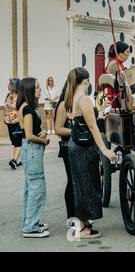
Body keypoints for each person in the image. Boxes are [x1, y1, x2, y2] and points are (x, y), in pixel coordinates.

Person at [65, 68, 117, 240]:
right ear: (86, 81)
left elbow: (80, 122)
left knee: (80, 186)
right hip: (84, 148)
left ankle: (84, 223)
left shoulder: (70, 98)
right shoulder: (84, 99)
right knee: (88, 186)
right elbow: (93, 127)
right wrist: (104, 149)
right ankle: (83, 229)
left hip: (74, 145)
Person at [16, 77, 50, 238]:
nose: (40, 89)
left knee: (31, 188)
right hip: (32, 150)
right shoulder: (27, 109)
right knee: (37, 188)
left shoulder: (26, 107)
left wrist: (41, 133)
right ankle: (30, 227)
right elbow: (29, 135)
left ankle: (30, 222)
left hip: (30, 150)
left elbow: (29, 133)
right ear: (29, 89)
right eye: (36, 87)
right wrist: (44, 139)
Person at [54, 81, 76, 220]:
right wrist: (75, 131)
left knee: (79, 182)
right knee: (72, 181)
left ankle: (80, 214)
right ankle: (71, 216)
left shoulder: (79, 102)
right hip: (68, 147)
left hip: (79, 147)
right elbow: (58, 129)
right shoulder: (63, 105)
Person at [105, 41, 130, 107]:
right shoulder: (114, 64)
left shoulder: (119, 63)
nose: (129, 54)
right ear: (121, 53)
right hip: (116, 99)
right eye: (127, 52)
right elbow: (120, 83)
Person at [4, 78, 22, 169]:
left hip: (17, 122)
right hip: (9, 122)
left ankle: (14, 160)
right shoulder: (8, 95)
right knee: (14, 142)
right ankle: (16, 159)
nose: (8, 85)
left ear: (13, 86)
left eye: (9, 84)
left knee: (18, 141)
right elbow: (6, 107)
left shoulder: (20, 97)